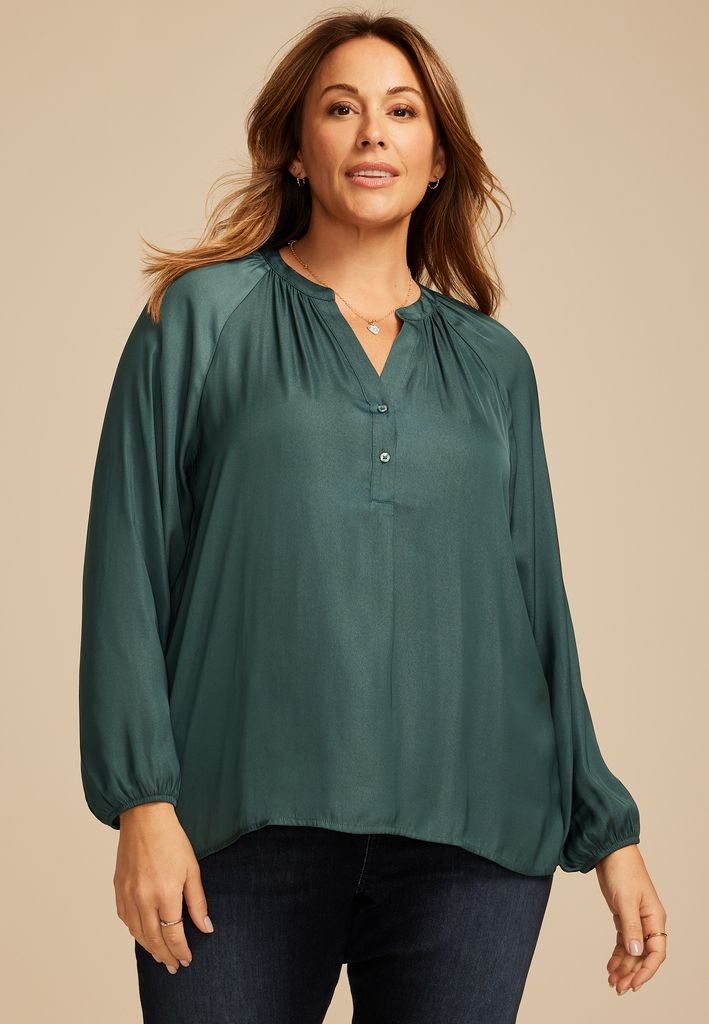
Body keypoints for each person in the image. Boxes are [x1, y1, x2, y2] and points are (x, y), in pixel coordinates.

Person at [78, 11, 667, 1023]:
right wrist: (142, 800)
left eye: (401, 112)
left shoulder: (495, 366)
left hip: (472, 842)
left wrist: (607, 829)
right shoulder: (198, 318)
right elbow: (126, 567)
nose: (370, 134)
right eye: (340, 109)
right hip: (237, 831)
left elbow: (537, 605)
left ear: (437, 160)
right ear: (295, 148)